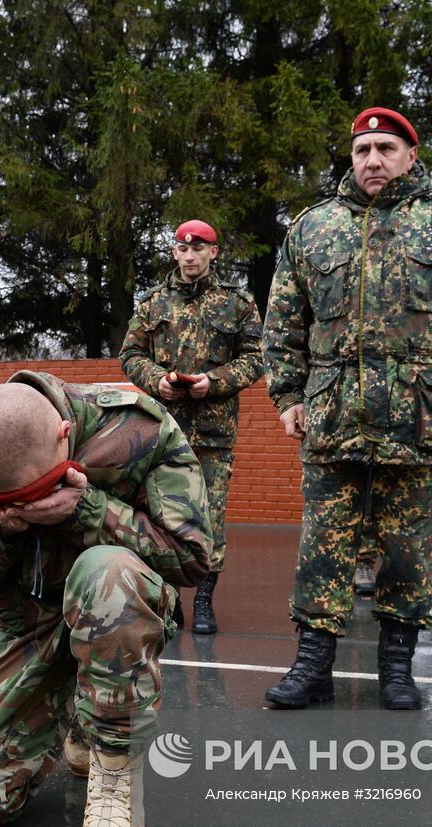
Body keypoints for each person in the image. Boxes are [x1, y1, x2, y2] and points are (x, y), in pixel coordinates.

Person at [262, 106, 432, 711]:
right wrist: (287, 394)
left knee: (409, 548)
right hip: (333, 413)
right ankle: (312, 666)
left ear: (411, 153)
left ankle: (397, 669)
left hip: (421, 413)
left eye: (386, 148)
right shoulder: (314, 227)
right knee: (323, 543)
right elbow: (283, 318)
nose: (372, 160)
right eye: (361, 150)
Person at [0, 371, 210, 827]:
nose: (24, 504)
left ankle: (116, 778)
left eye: (34, 491)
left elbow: (194, 559)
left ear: (63, 434)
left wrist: (89, 509)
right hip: (23, 629)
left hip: (112, 614)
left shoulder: (134, 427)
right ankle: (75, 712)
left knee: (108, 573)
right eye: (4, 497)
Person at [119, 218, 263, 634]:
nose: (190, 255)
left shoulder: (237, 303)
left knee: (210, 518)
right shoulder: (152, 303)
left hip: (214, 433)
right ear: (175, 252)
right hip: (163, 430)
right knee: (161, 516)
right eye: (183, 249)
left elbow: (256, 357)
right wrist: (156, 381)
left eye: (198, 248)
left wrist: (213, 383)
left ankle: (203, 601)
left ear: (213, 252)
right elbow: (130, 354)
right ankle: (168, 601)